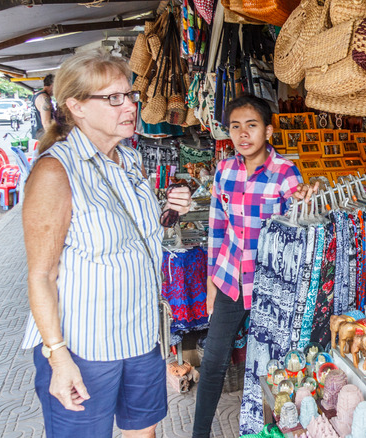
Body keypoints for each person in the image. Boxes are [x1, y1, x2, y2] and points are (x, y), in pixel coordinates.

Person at [20, 50, 191, 438]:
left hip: (140, 335)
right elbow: (41, 274)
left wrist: (168, 211)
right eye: (113, 98)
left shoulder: (128, 161)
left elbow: (134, 240)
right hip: (84, 347)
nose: (129, 106)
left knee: (142, 433)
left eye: (130, 96)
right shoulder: (55, 171)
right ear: (76, 106)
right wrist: (58, 355)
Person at [192, 95, 318, 438]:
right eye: (235, 127)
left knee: (271, 366)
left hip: (270, 288)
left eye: (251, 126)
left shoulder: (286, 173)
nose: (243, 134)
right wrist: (210, 287)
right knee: (213, 362)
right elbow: (217, 229)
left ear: (268, 130)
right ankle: (199, 434)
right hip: (231, 280)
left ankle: (273, 429)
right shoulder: (224, 170)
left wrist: (307, 200)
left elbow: (299, 222)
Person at [31, 73, 54, 139]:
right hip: (45, 137)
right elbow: (46, 123)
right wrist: (53, 139)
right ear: (52, 85)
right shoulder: (44, 99)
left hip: (39, 135)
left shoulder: (36, 95)